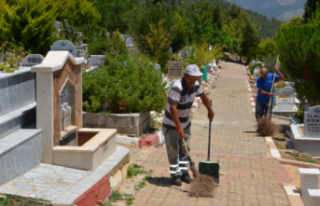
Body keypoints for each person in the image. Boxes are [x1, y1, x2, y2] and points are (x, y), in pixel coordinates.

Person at [162, 64, 214, 186]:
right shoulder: (177, 87)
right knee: (174, 150)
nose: (193, 82)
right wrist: (178, 126)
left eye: (196, 79)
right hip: (171, 124)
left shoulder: (195, 85)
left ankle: (184, 173)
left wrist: (210, 110)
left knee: (185, 149)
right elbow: (173, 109)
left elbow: (204, 97)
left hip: (185, 124)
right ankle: (175, 175)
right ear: (185, 75)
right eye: (191, 79)